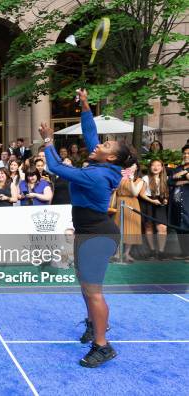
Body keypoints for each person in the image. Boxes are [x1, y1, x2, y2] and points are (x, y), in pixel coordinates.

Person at [41, 88, 135, 368]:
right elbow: (91, 134)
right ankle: (94, 325)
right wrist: (84, 106)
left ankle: (102, 345)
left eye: (105, 147)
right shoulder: (103, 165)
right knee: (86, 287)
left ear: (111, 159)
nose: (98, 145)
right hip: (88, 232)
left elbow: (57, 168)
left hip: (97, 235)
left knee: (93, 290)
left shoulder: (95, 175)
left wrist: (47, 141)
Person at [112, 164, 143, 262]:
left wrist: (131, 179)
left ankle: (126, 253)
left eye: (133, 165)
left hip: (132, 204)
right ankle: (117, 253)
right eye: (129, 165)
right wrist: (119, 178)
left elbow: (135, 193)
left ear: (136, 168)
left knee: (131, 228)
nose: (130, 167)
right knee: (117, 227)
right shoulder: (120, 177)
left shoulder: (139, 180)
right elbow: (113, 189)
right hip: (119, 202)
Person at [139, 159, 169, 260]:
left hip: (160, 203)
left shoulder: (165, 178)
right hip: (148, 202)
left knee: (162, 228)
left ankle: (161, 251)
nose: (156, 167)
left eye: (158, 165)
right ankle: (152, 251)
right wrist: (153, 201)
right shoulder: (146, 178)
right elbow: (141, 194)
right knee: (149, 227)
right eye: (153, 165)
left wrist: (165, 199)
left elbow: (167, 193)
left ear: (162, 168)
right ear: (150, 167)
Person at [168, 144, 189, 259]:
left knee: (187, 224)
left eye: (188, 153)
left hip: (187, 201)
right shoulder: (177, 169)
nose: (186, 155)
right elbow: (170, 182)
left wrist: (184, 174)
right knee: (179, 226)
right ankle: (184, 253)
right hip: (176, 201)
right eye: (185, 153)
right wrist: (184, 181)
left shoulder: (181, 171)